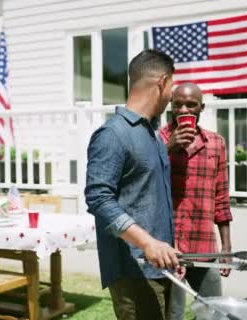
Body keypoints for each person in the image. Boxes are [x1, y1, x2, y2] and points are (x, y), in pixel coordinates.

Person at [85, 49, 183, 320]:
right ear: (162, 82)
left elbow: (149, 200)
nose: (171, 95)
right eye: (171, 86)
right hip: (133, 271)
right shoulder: (113, 134)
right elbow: (98, 199)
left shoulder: (151, 134)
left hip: (161, 266)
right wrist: (147, 243)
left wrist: (169, 251)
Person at [159, 83, 233, 320]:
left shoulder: (216, 143)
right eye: (177, 104)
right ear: (170, 106)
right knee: (173, 314)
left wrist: (227, 247)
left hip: (204, 246)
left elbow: (221, 197)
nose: (183, 110)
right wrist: (169, 147)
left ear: (201, 107)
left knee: (213, 313)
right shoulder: (156, 140)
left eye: (190, 105)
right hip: (167, 247)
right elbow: (142, 180)